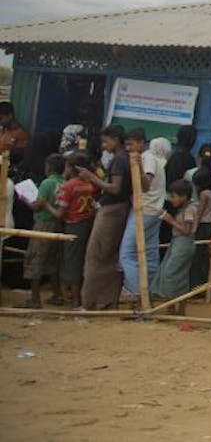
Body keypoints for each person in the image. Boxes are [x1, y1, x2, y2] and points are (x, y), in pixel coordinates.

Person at [76, 126, 129, 310]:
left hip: (111, 211)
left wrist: (91, 177)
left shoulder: (120, 160)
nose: (104, 145)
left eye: (106, 141)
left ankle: (90, 302)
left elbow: (114, 188)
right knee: (109, 257)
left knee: (96, 256)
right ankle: (106, 301)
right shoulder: (124, 158)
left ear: (115, 139)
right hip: (118, 210)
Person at [118, 129, 164, 303]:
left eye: (131, 144)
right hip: (154, 210)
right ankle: (149, 292)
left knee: (127, 254)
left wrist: (137, 167)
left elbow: (145, 185)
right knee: (150, 254)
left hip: (144, 210)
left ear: (140, 142)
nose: (128, 148)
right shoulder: (151, 158)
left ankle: (136, 293)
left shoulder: (147, 158)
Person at [23, 152, 66, 307]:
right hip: (57, 225)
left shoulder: (47, 183)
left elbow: (37, 205)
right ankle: (57, 294)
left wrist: (25, 199)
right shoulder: (63, 182)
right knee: (52, 261)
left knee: (36, 259)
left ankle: (35, 299)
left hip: (43, 224)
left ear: (49, 167)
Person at [56, 152, 98, 308]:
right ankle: (76, 297)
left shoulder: (68, 186)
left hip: (73, 224)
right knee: (80, 259)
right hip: (87, 224)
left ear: (70, 168)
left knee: (71, 261)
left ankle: (74, 300)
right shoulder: (89, 185)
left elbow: (60, 213)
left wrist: (44, 205)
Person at [154, 179, 199, 309]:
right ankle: (174, 307)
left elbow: (187, 230)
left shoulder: (190, 209)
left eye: (174, 196)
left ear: (183, 196)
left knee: (171, 273)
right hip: (178, 243)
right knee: (176, 274)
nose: (171, 199)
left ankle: (175, 307)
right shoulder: (185, 208)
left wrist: (169, 220)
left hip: (183, 244)